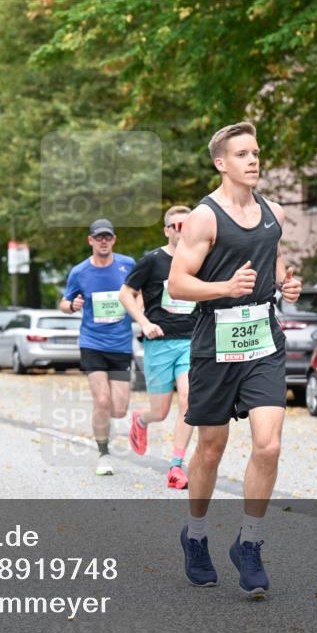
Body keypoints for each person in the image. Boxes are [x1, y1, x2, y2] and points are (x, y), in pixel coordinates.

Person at [169, 122, 302, 598]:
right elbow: (177, 284)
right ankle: (197, 536)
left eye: (257, 152)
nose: (253, 160)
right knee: (211, 448)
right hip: (215, 340)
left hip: (263, 337)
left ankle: (249, 542)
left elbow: (275, 257)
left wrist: (287, 281)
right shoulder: (204, 218)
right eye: (242, 153)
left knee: (268, 445)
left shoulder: (275, 212)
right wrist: (224, 287)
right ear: (221, 162)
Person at [119, 205, 197, 489]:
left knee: (189, 401)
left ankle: (176, 466)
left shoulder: (200, 260)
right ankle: (141, 419)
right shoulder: (152, 260)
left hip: (191, 341)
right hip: (159, 343)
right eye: (177, 225)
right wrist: (143, 321)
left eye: (187, 225)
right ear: (167, 230)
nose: (182, 230)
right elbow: (126, 293)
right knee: (161, 411)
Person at [60, 219, 136, 477]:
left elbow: (139, 293)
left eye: (108, 237)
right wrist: (72, 306)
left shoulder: (128, 265)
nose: (103, 242)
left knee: (120, 408)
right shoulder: (79, 272)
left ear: (114, 240)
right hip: (92, 343)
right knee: (101, 400)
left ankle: (129, 424)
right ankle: (103, 453)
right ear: (90, 240)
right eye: (98, 237)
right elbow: (63, 302)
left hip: (122, 343)